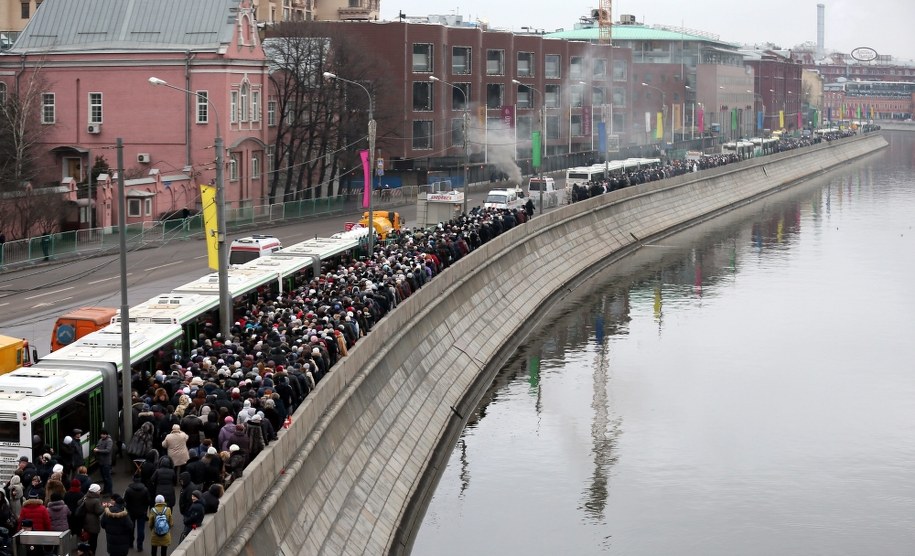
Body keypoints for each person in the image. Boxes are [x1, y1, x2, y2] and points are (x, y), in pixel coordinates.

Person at [123, 474, 150, 552]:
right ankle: (140, 545)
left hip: (131, 512)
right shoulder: (145, 489)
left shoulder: (128, 489)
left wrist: (128, 508)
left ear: (133, 479)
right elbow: (148, 501)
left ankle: (130, 543)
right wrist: (145, 509)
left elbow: (125, 501)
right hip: (142, 512)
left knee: (131, 528)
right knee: (141, 529)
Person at [83, 484, 104, 554]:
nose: (100, 491)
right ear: (95, 491)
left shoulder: (86, 497)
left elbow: (79, 503)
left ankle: (87, 551)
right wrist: (103, 507)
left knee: (89, 538)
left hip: (86, 520)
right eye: (99, 490)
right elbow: (98, 511)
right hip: (94, 522)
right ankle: (92, 553)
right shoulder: (96, 500)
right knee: (93, 540)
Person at [92, 430, 114, 495]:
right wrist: (96, 448)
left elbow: (108, 450)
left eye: (103, 434)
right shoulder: (101, 440)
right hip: (101, 462)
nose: (102, 435)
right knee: (104, 477)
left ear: (106, 435)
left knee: (107, 478)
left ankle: (110, 492)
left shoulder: (109, 441)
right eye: (101, 434)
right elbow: (98, 446)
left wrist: (98, 450)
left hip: (106, 462)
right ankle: (105, 490)